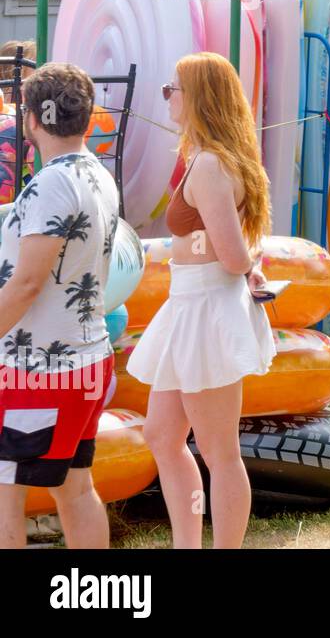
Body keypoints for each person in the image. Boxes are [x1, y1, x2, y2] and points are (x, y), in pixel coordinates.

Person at [122, 53, 274, 549]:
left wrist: (244, 263)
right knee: (163, 437)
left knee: (219, 451)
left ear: (199, 98)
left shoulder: (210, 165)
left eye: (173, 88)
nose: (167, 96)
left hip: (206, 309)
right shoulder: (206, 159)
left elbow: (229, 255)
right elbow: (234, 251)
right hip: (192, 305)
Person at [0, 64, 118, 549]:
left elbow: (28, 283)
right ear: (88, 121)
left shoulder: (52, 184)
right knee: (75, 487)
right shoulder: (95, 174)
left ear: (30, 120)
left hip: (39, 368)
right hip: (82, 359)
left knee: (6, 495)